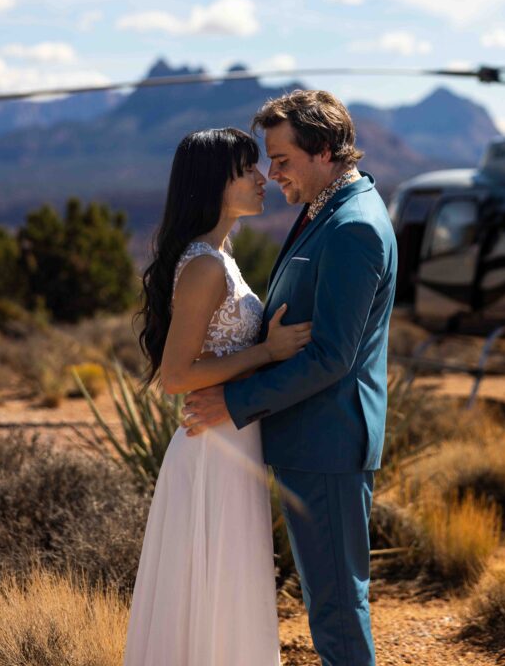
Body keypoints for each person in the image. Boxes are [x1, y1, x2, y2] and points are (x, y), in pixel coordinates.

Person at [184, 90, 398, 666]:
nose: (270, 172)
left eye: (280, 159)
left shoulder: (353, 227)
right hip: (308, 437)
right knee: (329, 599)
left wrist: (233, 401)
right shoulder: (324, 208)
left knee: (336, 607)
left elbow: (332, 357)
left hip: (327, 441)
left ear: (324, 150)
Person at [122, 127, 312, 666]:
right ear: (213, 183)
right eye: (245, 170)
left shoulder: (219, 256)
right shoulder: (205, 265)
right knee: (214, 585)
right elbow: (176, 375)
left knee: (224, 585)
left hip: (232, 440)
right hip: (214, 449)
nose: (262, 179)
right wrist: (267, 352)